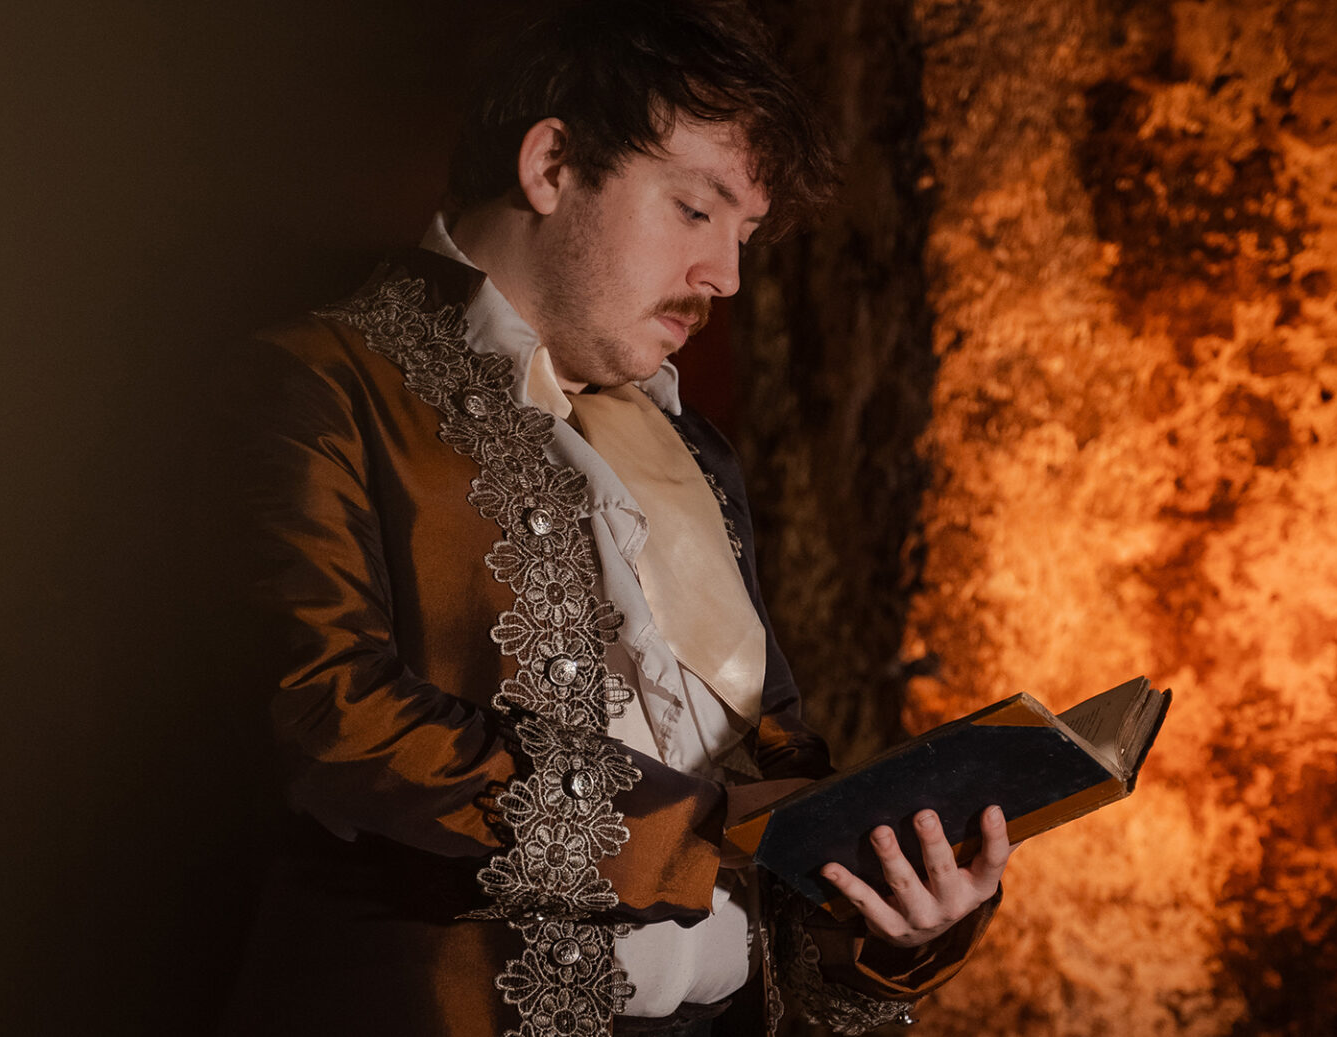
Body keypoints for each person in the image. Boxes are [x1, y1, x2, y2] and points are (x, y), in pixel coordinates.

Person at [220, 2, 1010, 1035]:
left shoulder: (696, 451)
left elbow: (774, 772)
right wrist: (699, 833)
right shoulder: (319, 387)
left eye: (746, 235)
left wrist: (894, 907)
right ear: (552, 165)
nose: (725, 275)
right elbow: (332, 716)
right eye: (696, 209)